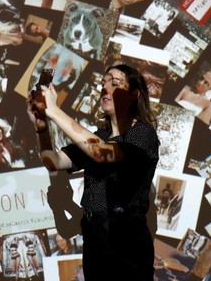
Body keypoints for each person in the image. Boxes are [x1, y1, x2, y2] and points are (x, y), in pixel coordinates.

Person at [27, 64, 159, 280]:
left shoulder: (143, 135)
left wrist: (53, 109)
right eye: (103, 83)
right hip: (95, 242)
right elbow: (53, 161)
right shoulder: (99, 136)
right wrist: (41, 127)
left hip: (127, 247)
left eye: (114, 84)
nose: (104, 88)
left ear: (134, 95)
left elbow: (102, 153)